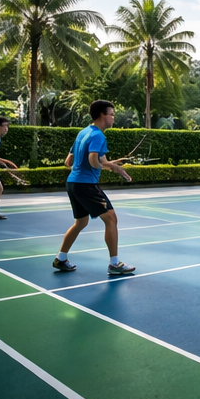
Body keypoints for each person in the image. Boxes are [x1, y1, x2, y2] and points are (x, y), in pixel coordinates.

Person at [52, 100, 135, 275]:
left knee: (81, 222)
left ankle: (61, 258)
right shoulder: (98, 136)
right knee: (111, 219)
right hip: (86, 184)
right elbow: (93, 161)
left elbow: (69, 161)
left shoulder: (83, 133)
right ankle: (114, 264)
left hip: (73, 183)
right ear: (101, 115)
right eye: (111, 114)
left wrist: (111, 165)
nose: (113, 118)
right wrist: (111, 167)